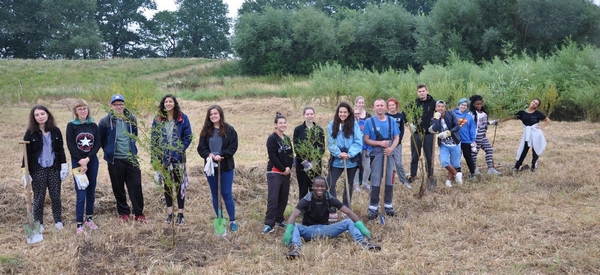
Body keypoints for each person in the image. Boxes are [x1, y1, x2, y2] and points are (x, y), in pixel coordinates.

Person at [281, 176, 381, 259]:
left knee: (349, 221)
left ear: (325, 187)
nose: (320, 188)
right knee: (295, 226)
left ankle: (362, 243)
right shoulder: (307, 198)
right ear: (313, 187)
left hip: (326, 230)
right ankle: (296, 248)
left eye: (322, 186)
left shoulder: (329, 198)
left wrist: (361, 226)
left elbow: (348, 212)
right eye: (317, 186)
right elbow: (294, 215)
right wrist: (288, 231)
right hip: (309, 230)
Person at [98, 94, 147, 223]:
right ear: (111, 106)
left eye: (121, 104)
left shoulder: (131, 119)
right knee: (118, 187)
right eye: (116, 104)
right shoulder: (105, 121)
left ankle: (139, 213)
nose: (119, 107)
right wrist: (109, 151)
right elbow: (102, 140)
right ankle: (124, 212)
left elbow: (134, 135)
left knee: (136, 186)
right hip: (115, 160)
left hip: (131, 158)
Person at [22, 105, 68, 231]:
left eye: (42, 114)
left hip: (54, 167)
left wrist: (64, 165)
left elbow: (60, 149)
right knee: (39, 197)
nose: (40, 117)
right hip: (38, 169)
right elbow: (26, 154)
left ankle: (58, 221)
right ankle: (38, 224)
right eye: (37, 115)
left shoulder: (56, 131)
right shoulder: (30, 133)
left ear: (47, 115)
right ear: (33, 117)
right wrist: (25, 172)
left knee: (56, 196)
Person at [152, 95, 192, 226]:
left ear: (175, 103)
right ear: (163, 104)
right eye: (166, 102)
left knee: (179, 186)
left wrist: (180, 149)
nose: (168, 103)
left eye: (170, 101)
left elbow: (188, 136)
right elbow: (154, 140)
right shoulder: (158, 119)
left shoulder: (182, 118)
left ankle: (180, 213)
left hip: (178, 158)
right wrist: (155, 160)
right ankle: (170, 213)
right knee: (167, 186)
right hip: (164, 158)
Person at [198, 105, 239, 231]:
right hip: (211, 167)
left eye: (215, 113)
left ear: (220, 114)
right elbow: (201, 148)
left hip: (225, 166)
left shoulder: (229, 130)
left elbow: (233, 147)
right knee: (215, 194)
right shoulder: (206, 131)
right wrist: (209, 155)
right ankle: (220, 218)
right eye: (211, 114)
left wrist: (221, 154)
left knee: (226, 194)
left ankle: (232, 221)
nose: (213, 116)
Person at [66, 100, 100, 234]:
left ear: (88, 110)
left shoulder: (93, 125)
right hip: (77, 162)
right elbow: (71, 145)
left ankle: (89, 219)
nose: (83, 111)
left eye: (85, 108)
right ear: (75, 111)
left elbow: (97, 144)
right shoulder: (71, 126)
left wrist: (88, 159)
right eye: (79, 109)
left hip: (91, 160)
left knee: (91, 191)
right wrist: (81, 161)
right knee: (81, 193)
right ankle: (79, 224)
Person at [363, 99, 400, 219]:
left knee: (389, 179)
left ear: (385, 108)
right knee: (375, 180)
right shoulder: (369, 121)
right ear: (374, 108)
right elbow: (366, 139)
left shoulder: (391, 120)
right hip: (376, 154)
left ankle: (388, 205)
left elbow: (396, 137)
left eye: (382, 105)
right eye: (377, 105)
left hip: (389, 152)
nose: (379, 107)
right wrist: (379, 143)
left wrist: (391, 148)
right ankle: (373, 208)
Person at [326, 102, 362, 222]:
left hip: (351, 160)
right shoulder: (332, 125)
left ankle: (346, 209)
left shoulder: (354, 124)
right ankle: (332, 209)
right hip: (337, 160)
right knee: (330, 182)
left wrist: (350, 153)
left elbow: (358, 141)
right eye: (340, 112)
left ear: (349, 113)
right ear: (337, 113)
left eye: (345, 112)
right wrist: (339, 153)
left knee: (349, 185)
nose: (342, 114)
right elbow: (331, 142)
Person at [263, 112, 293, 234]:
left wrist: (289, 168)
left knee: (283, 197)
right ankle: (269, 223)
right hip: (275, 172)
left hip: (286, 172)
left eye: (284, 123)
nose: (283, 125)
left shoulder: (286, 139)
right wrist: (282, 169)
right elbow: (273, 156)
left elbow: (291, 155)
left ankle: (279, 219)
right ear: (275, 125)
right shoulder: (272, 139)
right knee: (273, 198)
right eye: (280, 123)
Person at [501, 98, 550, 172]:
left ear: (537, 106)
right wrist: (501, 120)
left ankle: (533, 167)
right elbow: (512, 117)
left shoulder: (537, 113)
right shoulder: (522, 112)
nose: (534, 103)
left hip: (535, 133)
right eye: (534, 101)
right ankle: (517, 166)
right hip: (527, 133)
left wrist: (541, 127)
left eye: (536, 103)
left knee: (535, 149)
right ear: (531, 101)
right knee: (524, 149)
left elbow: (547, 120)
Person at [293, 106, 325, 200]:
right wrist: (307, 164)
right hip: (302, 164)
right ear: (304, 115)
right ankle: (303, 211)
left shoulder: (319, 130)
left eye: (311, 114)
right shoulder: (298, 130)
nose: (309, 116)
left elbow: (321, 148)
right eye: (307, 114)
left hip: (315, 165)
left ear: (314, 115)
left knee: (315, 188)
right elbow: (297, 147)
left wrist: (313, 163)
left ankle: (315, 210)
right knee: (303, 189)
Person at [429, 100, 462, 187]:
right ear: (436, 108)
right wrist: (436, 120)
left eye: (442, 106)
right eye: (438, 106)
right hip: (444, 144)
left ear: (445, 108)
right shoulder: (435, 117)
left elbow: (457, 126)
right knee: (444, 161)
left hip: (455, 143)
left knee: (454, 164)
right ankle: (457, 174)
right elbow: (435, 129)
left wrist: (448, 132)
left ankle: (448, 181)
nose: (440, 108)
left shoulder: (451, 114)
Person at [408, 83, 436, 183]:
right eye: (419, 91)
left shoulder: (433, 102)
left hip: (428, 133)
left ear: (427, 91)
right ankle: (413, 175)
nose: (421, 93)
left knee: (428, 155)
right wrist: (410, 123)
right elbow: (405, 113)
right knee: (415, 154)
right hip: (416, 133)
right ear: (417, 93)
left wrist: (434, 125)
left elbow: (439, 113)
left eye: (423, 91)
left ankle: (429, 175)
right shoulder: (414, 103)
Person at [469, 95, 501, 175]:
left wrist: (492, 122)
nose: (479, 106)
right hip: (476, 136)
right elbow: (472, 125)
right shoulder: (472, 114)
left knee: (489, 149)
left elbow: (483, 123)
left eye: (480, 104)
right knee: (474, 153)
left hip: (483, 135)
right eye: (477, 104)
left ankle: (491, 169)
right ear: (473, 104)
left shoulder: (482, 112)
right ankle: (474, 169)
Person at [386, 97, 412, 189]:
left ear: (396, 106)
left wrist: (398, 140)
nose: (391, 107)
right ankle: (388, 181)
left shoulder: (400, 116)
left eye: (393, 105)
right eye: (390, 105)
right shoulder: (385, 115)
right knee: (388, 164)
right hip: (386, 143)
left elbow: (402, 129)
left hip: (397, 143)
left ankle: (403, 181)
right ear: (387, 106)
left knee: (398, 163)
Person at [453, 98, 477, 180]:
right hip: (456, 140)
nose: (463, 107)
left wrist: (473, 140)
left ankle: (473, 173)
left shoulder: (469, 117)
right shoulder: (453, 114)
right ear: (459, 105)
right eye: (462, 105)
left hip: (466, 140)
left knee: (468, 156)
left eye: (465, 105)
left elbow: (472, 129)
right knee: (457, 158)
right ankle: (457, 174)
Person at [353, 96, 372, 191]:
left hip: (365, 147)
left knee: (367, 167)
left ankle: (365, 183)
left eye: (362, 102)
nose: (357, 115)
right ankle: (356, 184)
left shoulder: (365, 122)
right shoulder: (351, 124)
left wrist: (369, 147)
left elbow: (370, 134)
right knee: (356, 166)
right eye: (355, 113)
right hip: (355, 148)